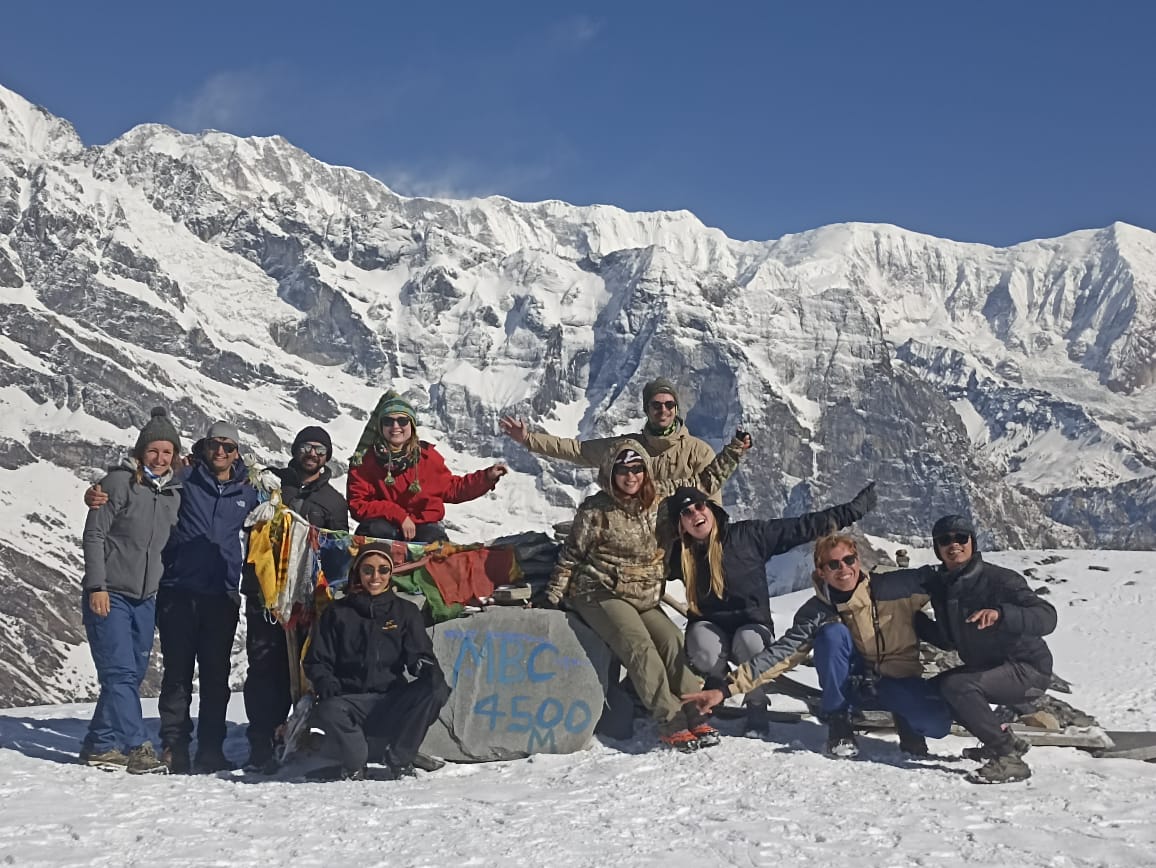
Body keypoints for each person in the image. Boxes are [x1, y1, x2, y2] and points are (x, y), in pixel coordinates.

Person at [542, 433, 750, 752]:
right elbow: (571, 555)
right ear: (611, 472)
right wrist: (552, 597)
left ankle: (694, 708)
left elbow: (705, 482)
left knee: (671, 641)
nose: (631, 476)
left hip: (644, 593)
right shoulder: (596, 510)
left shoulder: (663, 498)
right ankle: (669, 718)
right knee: (640, 646)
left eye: (637, 469)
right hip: (599, 590)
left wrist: (735, 451)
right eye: (623, 470)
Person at [85, 420, 258, 774]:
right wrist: (94, 493)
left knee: (215, 676)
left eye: (228, 446)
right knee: (176, 676)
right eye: (214, 445)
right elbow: (138, 480)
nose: (221, 451)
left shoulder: (250, 489)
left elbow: (276, 515)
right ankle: (174, 746)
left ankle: (211, 748)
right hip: (176, 590)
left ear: (237, 452)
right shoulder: (184, 478)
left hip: (221, 594)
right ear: (203, 447)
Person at [682, 533, 952, 759]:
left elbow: (948, 580)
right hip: (855, 685)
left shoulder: (896, 588)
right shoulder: (817, 611)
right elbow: (781, 655)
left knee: (937, 725)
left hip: (901, 682)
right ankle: (838, 722)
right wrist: (724, 689)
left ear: (859, 561)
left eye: (849, 560)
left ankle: (906, 719)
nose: (843, 569)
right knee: (832, 635)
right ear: (821, 572)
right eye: (833, 564)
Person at [666, 482, 877, 731]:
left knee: (749, 642)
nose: (695, 515)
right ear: (681, 524)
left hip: (752, 623)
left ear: (710, 508)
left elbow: (802, 527)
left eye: (699, 506)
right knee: (703, 647)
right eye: (686, 513)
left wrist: (852, 511)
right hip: (710, 625)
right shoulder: (680, 555)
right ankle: (717, 685)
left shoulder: (749, 535)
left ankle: (756, 704)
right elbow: (644, 569)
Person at [79, 408, 183, 774]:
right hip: (110, 592)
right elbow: (94, 534)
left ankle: (100, 744)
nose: (159, 458)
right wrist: (97, 585)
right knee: (120, 672)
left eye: (167, 452)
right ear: (141, 452)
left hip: (145, 598)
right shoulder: (117, 484)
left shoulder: (173, 491)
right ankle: (137, 747)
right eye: (153, 451)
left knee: (130, 673)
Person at [919, 514, 1058, 784]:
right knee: (934, 691)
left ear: (973, 542)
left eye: (961, 538)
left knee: (958, 687)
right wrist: (913, 622)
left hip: (1028, 669)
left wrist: (1001, 614)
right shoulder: (945, 588)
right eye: (945, 540)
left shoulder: (999, 580)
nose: (954, 544)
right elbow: (949, 640)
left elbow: (1047, 617)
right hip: (992, 667)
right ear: (937, 548)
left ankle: (1008, 758)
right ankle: (1005, 741)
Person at [242, 425, 349, 774]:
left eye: (320, 449)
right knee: (263, 669)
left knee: (303, 672)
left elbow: (338, 551)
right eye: (306, 446)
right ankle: (261, 742)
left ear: (328, 456)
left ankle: (296, 734)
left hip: (307, 599)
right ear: (296, 449)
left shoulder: (333, 502)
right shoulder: (273, 486)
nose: (312, 454)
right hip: (267, 594)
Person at [303, 542, 450, 781]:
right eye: (368, 569)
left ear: (391, 574)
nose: (375, 577)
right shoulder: (337, 612)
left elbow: (419, 655)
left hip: (391, 699)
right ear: (357, 572)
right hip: (350, 702)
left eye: (383, 570)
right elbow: (317, 661)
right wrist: (325, 682)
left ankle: (399, 758)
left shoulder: (405, 611)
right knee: (329, 709)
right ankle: (354, 763)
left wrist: (425, 668)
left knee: (436, 689)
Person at [500, 377, 717, 500]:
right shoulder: (627, 448)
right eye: (656, 405)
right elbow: (578, 451)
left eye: (669, 405)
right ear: (646, 409)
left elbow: (712, 499)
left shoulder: (699, 452)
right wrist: (529, 439)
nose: (663, 410)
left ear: (676, 409)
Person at [347, 392, 507, 542]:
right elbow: (358, 504)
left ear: (412, 425)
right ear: (381, 427)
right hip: (383, 525)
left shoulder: (427, 458)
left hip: (423, 526)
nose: (395, 426)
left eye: (402, 421)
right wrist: (398, 515)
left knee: (434, 542)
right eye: (388, 421)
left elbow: (453, 489)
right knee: (375, 530)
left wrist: (486, 478)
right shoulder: (365, 462)